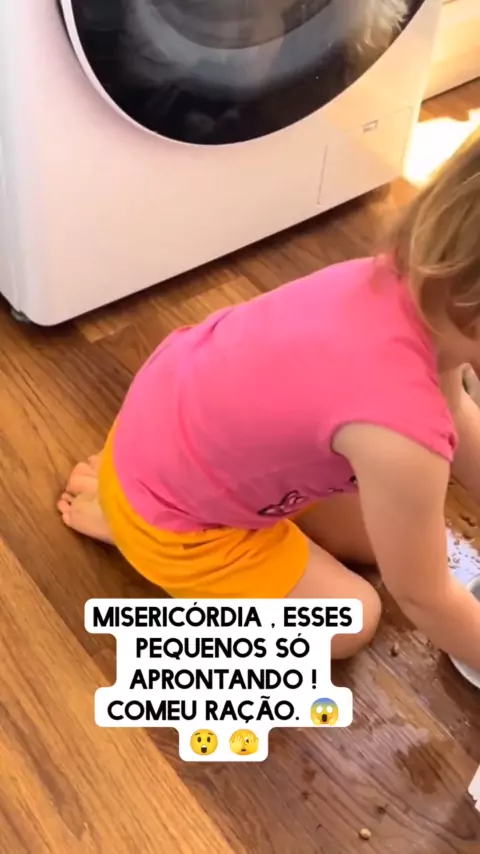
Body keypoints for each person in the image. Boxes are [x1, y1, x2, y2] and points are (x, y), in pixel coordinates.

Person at [59, 128, 480, 668]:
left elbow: (456, 411)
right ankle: (138, 539)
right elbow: (425, 597)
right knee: (352, 618)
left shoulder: (421, 289)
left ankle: (129, 506)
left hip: (166, 427)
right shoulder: (401, 434)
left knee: (397, 535)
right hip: (180, 514)